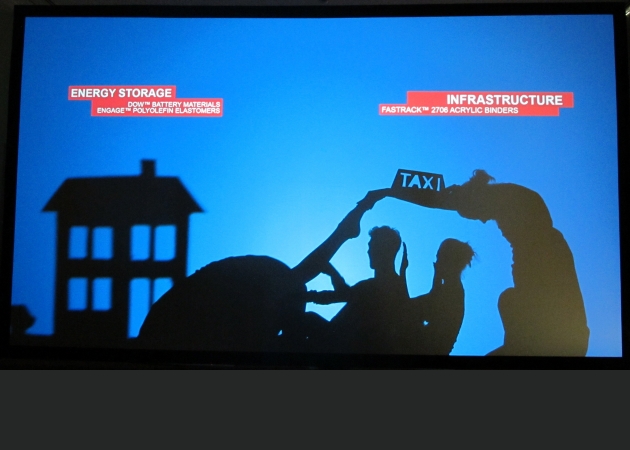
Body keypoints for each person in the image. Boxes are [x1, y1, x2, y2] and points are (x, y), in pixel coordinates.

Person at [366, 170, 590, 356]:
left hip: (558, 340)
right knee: (509, 300)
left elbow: (443, 201)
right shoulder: (531, 240)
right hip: (556, 336)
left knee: (509, 300)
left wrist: (391, 192)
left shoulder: (539, 241)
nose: (483, 220)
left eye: (478, 214)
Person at [308, 226, 408, 353]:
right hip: (339, 339)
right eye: (369, 246)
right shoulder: (376, 284)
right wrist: (332, 275)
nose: (369, 251)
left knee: (307, 320)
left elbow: (342, 295)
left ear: (385, 250)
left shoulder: (386, 285)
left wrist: (331, 275)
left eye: (372, 246)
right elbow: (345, 294)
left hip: (345, 344)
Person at [398, 239, 475, 355]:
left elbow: (409, 308)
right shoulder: (450, 290)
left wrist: (402, 273)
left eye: (439, 258)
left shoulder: (452, 292)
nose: (436, 263)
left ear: (449, 261)